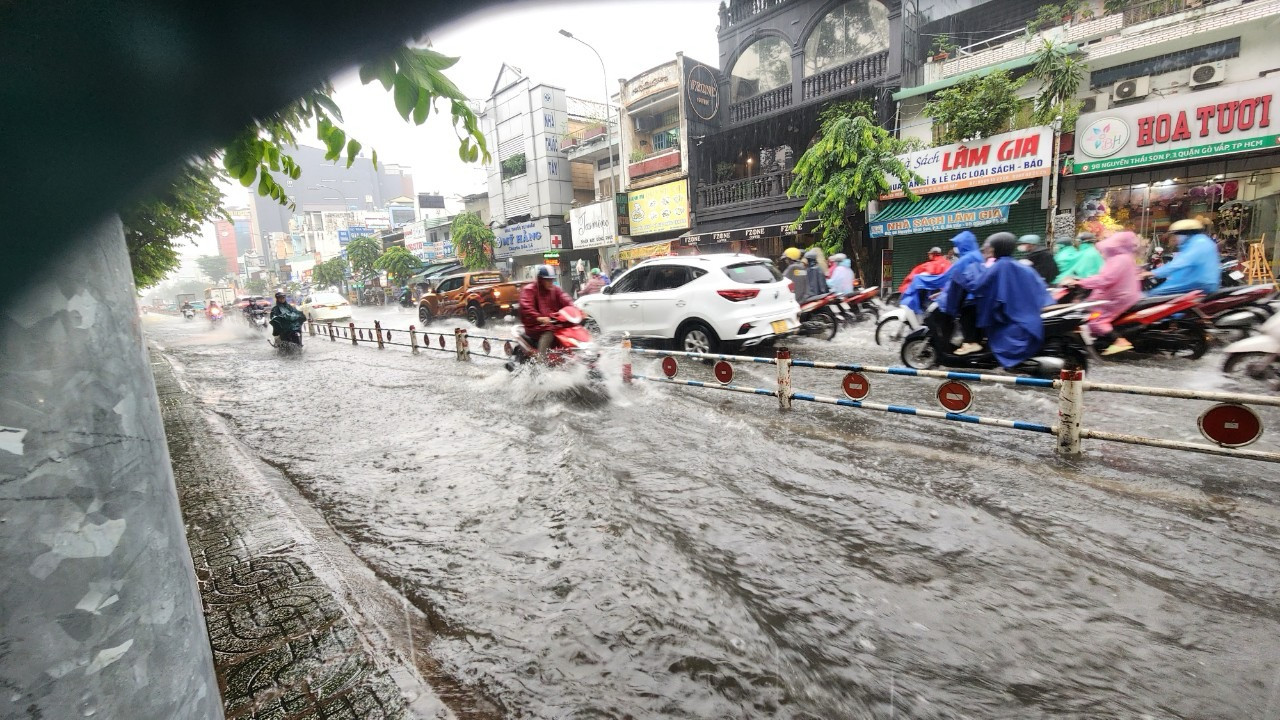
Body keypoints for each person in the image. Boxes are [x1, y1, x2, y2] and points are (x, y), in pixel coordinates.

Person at [969, 233, 1056, 369]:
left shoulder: (999, 266)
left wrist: (963, 277)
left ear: (998, 247)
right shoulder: (1021, 266)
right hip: (1029, 317)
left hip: (1011, 317)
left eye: (991, 247)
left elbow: (979, 285)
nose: (989, 250)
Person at [1066, 231, 1142, 355]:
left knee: (1096, 319)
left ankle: (1119, 341)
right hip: (1118, 293)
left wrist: (1081, 282)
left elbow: (1106, 279)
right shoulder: (1123, 258)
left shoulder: (1119, 259)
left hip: (1118, 295)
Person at [936, 230, 985, 355]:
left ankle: (970, 343)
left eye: (957, 244)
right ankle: (972, 343)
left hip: (969, 297)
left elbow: (949, 275)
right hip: (977, 296)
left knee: (964, 317)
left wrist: (924, 281)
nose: (955, 248)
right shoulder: (977, 255)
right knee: (971, 321)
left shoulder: (966, 258)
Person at [1144, 218, 1220, 296]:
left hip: (1196, 282)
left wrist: (1152, 273)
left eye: (1176, 235)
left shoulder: (1197, 244)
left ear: (1184, 234)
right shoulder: (1202, 241)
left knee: (1151, 295)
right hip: (1203, 282)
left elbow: (1179, 264)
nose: (1175, 238)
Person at [518, 264, 575, 358]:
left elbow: (565, 299)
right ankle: (541, 361)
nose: (550, 282)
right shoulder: (529, 290)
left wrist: (576, 310)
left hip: (553, 322)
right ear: (540, 279)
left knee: (571, 327)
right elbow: (526, 307)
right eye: (547, 279)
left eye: (552, 279)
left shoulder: (555, 290)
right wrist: (539, 318)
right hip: (536, 325)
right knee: (549, 332)